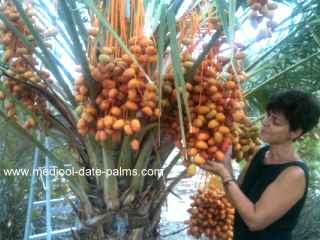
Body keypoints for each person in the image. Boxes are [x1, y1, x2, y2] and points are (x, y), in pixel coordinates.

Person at [201, 90, 320, 240]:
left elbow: (255, 221)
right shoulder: (260, 153)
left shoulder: (294, 174)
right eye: (268, 115)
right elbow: (236, 199)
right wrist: (225, 161)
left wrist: (224, 174)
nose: (265, 122)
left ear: (295, 132)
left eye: (275, 121)